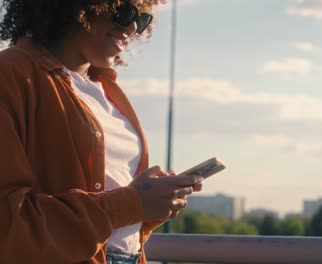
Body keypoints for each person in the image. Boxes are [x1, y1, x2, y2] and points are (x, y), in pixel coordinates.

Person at [0, 0, 203, 263]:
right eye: (123, 12)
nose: (131, 27)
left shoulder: (107, 90)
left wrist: (151, 204)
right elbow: (7, 223)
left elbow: (116, 210)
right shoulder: (10, 75)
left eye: (140, 19)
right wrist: (131, 203)